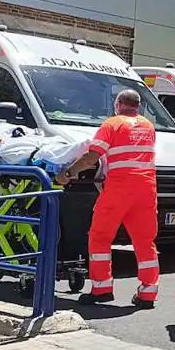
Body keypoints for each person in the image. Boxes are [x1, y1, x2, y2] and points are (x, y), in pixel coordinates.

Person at [56, 89, 159, 310]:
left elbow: (92, 157)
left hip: (119, 189)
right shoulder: (148, 127)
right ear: (138, 106)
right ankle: (148, 292)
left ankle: (102, 289)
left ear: (118, 103)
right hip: (146, 189)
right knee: (144, 241)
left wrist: (66, 174)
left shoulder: (111, 124)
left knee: (100, 237)